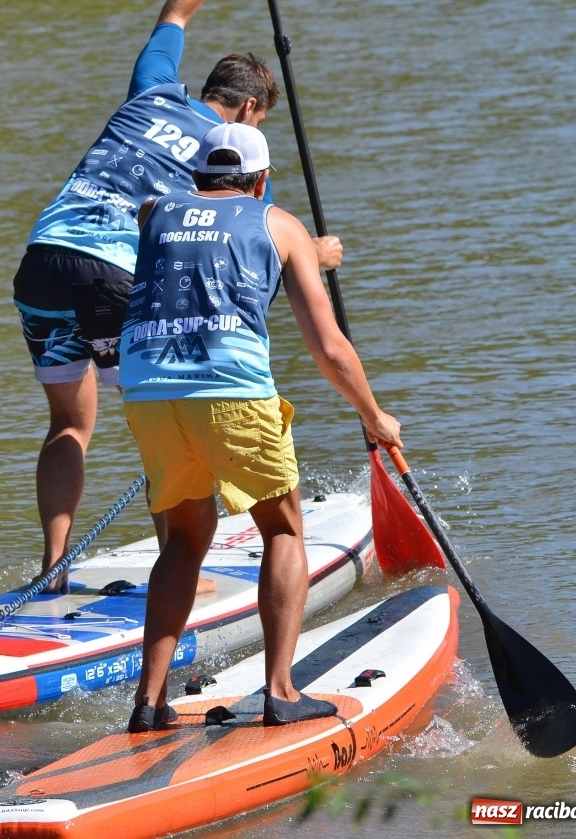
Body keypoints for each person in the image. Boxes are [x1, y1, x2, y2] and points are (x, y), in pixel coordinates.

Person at [14, 0, 341, 586]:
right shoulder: (231, 160)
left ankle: (53, 565)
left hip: (43, 256)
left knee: (68, 425)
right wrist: (316, 252)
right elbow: (255, 236)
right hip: (112, 272)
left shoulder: (152, 91)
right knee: (155, 414)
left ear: (211, 88)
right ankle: (177, 561)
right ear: (250, 111)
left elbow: (176, 17)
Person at [118, 122, 401, 730]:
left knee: (185, 541)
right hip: (231, 394)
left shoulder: (154, 212)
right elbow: (328, 346)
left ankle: (149, 704)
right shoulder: (280, 223)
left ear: (197, 176)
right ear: (262, 179)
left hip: (146, 392)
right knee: (281, 530)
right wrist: (374, 416)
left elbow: (180, 225)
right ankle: (280, 692)